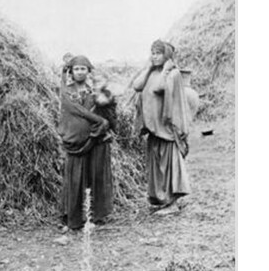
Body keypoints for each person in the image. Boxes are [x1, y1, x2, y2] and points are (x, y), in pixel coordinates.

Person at [129, 39, 192, 214]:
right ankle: (163, 199)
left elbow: (159, 88)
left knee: (168, 164)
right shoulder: (151, 72)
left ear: (167, 56)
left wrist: (164, 70)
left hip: (166, 128)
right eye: (153, 52)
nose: (154, 56)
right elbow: (137, 86)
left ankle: (172, 203)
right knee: (157, 166)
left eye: (158, 53)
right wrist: (149, 68)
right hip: (153, 128)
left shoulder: (173, 74)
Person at [58, 54, 115, 230]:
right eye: (76, 69)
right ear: (71, 72)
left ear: (88, 71)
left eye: (83, 68)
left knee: (97, 176)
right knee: (75, 178)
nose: (80, 72)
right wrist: (98, 121)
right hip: (75, 142)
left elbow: (108, 113)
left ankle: (98, 217)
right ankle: (74, 218)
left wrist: (104, 124)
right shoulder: (66, 92)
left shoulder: (95, 91)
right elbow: (71, 112)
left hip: (97, 140)